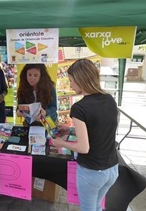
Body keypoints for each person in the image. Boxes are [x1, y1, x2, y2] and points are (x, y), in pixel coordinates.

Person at [51, 59, 119, 211]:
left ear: (81, 80)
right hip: (112, 169)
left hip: (92, 172)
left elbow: (83, 147)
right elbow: (98, 130)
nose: (70, 85)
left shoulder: (80, 108)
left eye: (71, 81)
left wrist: (61, 143)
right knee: (96, 207)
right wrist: (69, 130)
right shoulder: (109, 99)